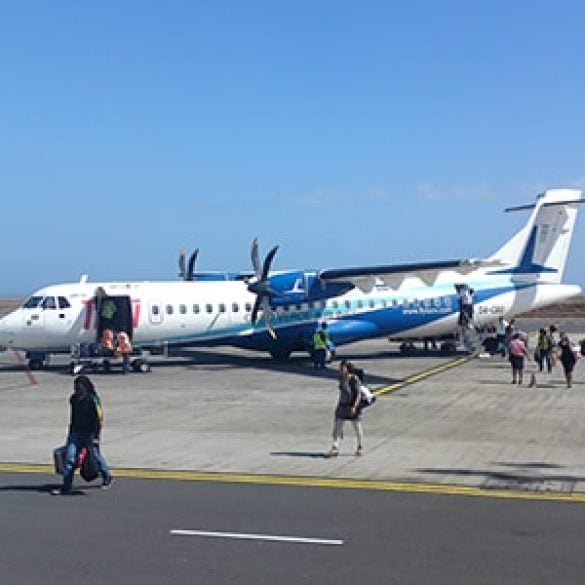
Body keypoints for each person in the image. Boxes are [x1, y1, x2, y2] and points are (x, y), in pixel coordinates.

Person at [52, 375, 113, 495]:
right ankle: (66, 485)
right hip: (75, 432)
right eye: (75, 387)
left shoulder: (92, 400)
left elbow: (98, 419)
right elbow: (73, 417)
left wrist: (96, 436)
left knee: (95, 456)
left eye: (79, 387)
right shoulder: (73, 399)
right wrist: (70, 433)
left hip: (90, 433)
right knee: (70, 459)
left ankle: (107, 477)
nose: (77, 389)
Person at [328, 360, 363, 457]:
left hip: (352, 405)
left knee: (357, 427)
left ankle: (360, 446)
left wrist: (354, 407)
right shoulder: (341, 378)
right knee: (337, 427)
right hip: (342, 405)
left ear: (347, 369)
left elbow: (358, 394)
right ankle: (335, 446)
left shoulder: (354, 379)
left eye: (342, 368)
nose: (340, 370)